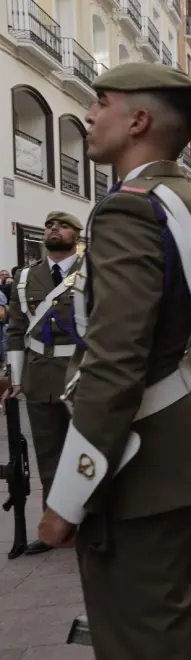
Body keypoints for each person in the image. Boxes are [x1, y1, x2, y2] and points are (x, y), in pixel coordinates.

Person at [35, 62, 191, 659]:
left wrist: (66, 497)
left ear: (138, 119)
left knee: (136, 640)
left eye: (101, 102)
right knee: (162, 629)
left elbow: (115, 362)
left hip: (137, 460)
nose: (88, 114)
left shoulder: (128, 208)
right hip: (174, 447)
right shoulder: (185, 200)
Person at [3, 211, 85, 555]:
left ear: (76, 236)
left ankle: (94, 522)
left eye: (62, 225)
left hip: (81, 375)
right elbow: (17, 331)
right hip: (39, 378)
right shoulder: (24, 278)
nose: (54, 229)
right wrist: (16, 380)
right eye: (50, 225)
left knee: (86, 454)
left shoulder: (94, 274)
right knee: (48, 456)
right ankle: (58, 528)